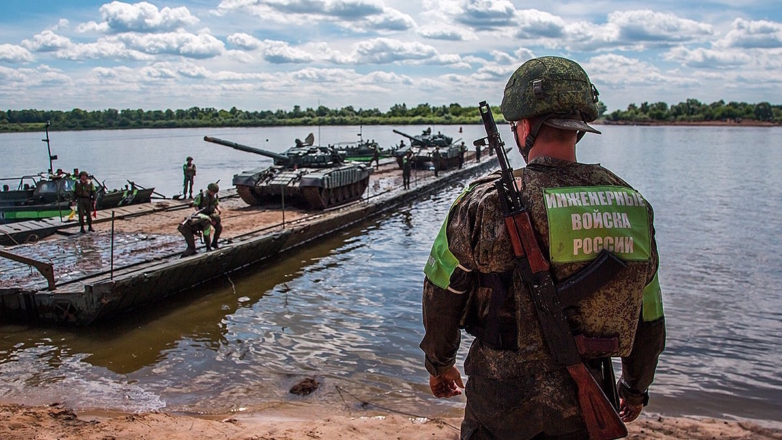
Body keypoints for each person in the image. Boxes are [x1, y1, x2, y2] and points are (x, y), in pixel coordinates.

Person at [420, 56, 666, 440]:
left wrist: (439, 364)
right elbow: (648, 312)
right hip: (586, 397)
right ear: (579, 129)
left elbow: (442, 290)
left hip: (499, 399)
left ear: (524, 126)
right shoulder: (632, 205)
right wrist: (635, 389)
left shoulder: (482, 203)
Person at [193, 182, 222, 250]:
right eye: (212, 192)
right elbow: (196, 205)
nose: (213, 194)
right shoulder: (201, 196)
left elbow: (216, 203)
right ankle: (208, 246)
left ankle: (214, 242)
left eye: (214, 193)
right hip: (203, 214)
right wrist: (198, 212)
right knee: (207, 230)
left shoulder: (215, 196)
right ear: (209, 190)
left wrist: (218, 208)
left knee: (219, 227)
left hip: (211, 214)